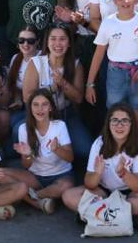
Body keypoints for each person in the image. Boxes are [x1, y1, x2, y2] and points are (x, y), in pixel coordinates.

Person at [61, 102, 138, 231]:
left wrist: (124, 174)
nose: (119, 125)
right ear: (108, 124)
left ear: (131, 124)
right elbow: (89, 184)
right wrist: (97, 174)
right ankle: (128, 216)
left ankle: (94, 215)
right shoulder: (99, 143)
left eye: (125, 121)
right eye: (115, 121)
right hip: (103, 192)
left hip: (129, 193)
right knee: (69, 196)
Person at [86, 0, 138, 132]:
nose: (125, 1)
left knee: (137, 116)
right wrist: (90, 84)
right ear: (114, 1)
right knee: (115, 116)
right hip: (115, 73)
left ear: (136, 0)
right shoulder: (108, 23)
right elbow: (99, 53)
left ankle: (134, 148)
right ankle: (116, 150)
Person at [21, 24, 92, 166]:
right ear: (47, 42)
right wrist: (51, 89)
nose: (57, 44)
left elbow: (78, 98)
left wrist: (63, 83)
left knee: (85, 150)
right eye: (53, 39)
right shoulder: (35, 63)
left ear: (69, 43)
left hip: (66, 113)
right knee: (18, 130)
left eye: (62, 39)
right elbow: (27, 97)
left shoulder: (76, 64)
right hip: (40, 116)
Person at [3, 89, 76, 214]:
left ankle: (29, 196)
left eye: (44, 104)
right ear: (30, 108)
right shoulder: (23, 129)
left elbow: (70, 158)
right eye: (35, 105)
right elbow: (27, 165)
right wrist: (27, 155)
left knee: (66, 187)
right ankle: (38, 202)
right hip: (35, 176)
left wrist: (57, 149)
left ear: (51, 108)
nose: (40, 109)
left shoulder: (59, 126)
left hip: (60, 175)